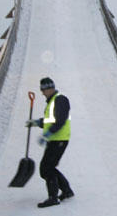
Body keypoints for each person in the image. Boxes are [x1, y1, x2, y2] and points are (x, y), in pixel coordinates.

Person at [26, 77, 74, 208]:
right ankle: (67, 191)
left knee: (46, 168)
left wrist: (47, 134)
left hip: (59, 139)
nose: (42, 93)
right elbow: (50, 120)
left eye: (43, 90)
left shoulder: (60, 100)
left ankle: (53, 197)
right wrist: (37, 123)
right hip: (55, 139)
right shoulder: (53, 101)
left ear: (50, 88)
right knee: (48, 167)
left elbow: (60, 120)